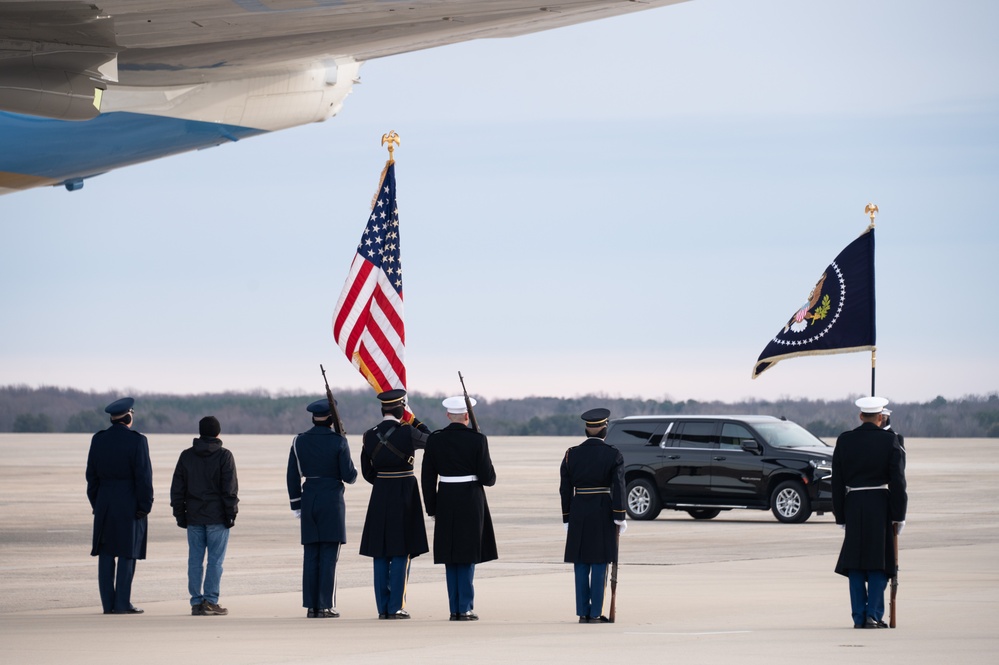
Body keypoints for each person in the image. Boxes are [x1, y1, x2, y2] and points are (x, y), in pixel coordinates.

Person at [832, 396, 908, 629]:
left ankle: (858, 616)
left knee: (855, 562)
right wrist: (899, 514)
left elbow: (837, 481)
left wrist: (840, 515)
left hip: (853, 502)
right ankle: (873, 615)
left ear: (860, 415)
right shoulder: (890, 440)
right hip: (880, 504)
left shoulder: (845, 440)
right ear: (880, 417)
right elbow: (898, 480)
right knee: (878, 561)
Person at [422, 396, 498, 621]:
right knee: (466, 554)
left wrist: (432, 507)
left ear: (448, 415)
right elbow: (488, 478)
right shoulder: (477, 439)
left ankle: (455, 606)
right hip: (470, 499)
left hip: (445, 497)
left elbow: (427, 478)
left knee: (450, 554)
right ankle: (464, 607)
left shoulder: (435, 440)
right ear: (467, 416)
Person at [359, 389, 431, 620]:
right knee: (401, 550)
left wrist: (383, 482)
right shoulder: (409, 432)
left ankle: (383, 607)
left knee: (380, 552)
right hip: (404, 492)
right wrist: (416, 421)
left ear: (383, 410)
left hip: (380, 492)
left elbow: (367, 472)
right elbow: (432, 441)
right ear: (402, 410)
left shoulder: (368, 435)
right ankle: (396, 606)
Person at [286, 399, 357, 618]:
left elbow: (292, 475)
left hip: (309, 499)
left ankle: (311, 606)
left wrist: (296, 504)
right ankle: (325, 604)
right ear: (331, 419)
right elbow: (350, 476)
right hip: (331, 501)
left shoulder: (299, 441)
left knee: (311, 555)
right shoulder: (338, 441)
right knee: (328, 555)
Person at [85, 397, 153, 615]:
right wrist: (145, 505)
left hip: (105, 503)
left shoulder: (98, 439)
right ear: (129, 416)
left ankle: (108, 604)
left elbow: (91, 477)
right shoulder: (137, 441)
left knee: (106, 554)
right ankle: (122, 603)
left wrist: (97, 503)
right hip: (129, 503)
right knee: (127, 553)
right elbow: (143, 477)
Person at [559, 408, 627, 624]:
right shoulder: (613, 454)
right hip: (602, 510)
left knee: (581, 562)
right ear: (605, 429)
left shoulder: (571, 454)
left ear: (587, 430)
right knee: (599, 562)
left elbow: (564, 489)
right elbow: (618, 486)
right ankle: (596, 612)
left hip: (578, 509)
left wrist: (567, 516)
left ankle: (582, 612)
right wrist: (620, 515)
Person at [170, 415, 239, 616]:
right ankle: (211, 600)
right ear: (218, 433)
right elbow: (230, 489)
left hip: (193, 516)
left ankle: (196, 601)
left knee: (195, 560)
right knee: (215, 561)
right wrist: (231, 513)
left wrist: (179, 513)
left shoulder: (186, 456)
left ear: (200, 432)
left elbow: (177, 488)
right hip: (217, 517)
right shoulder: (225, 456)